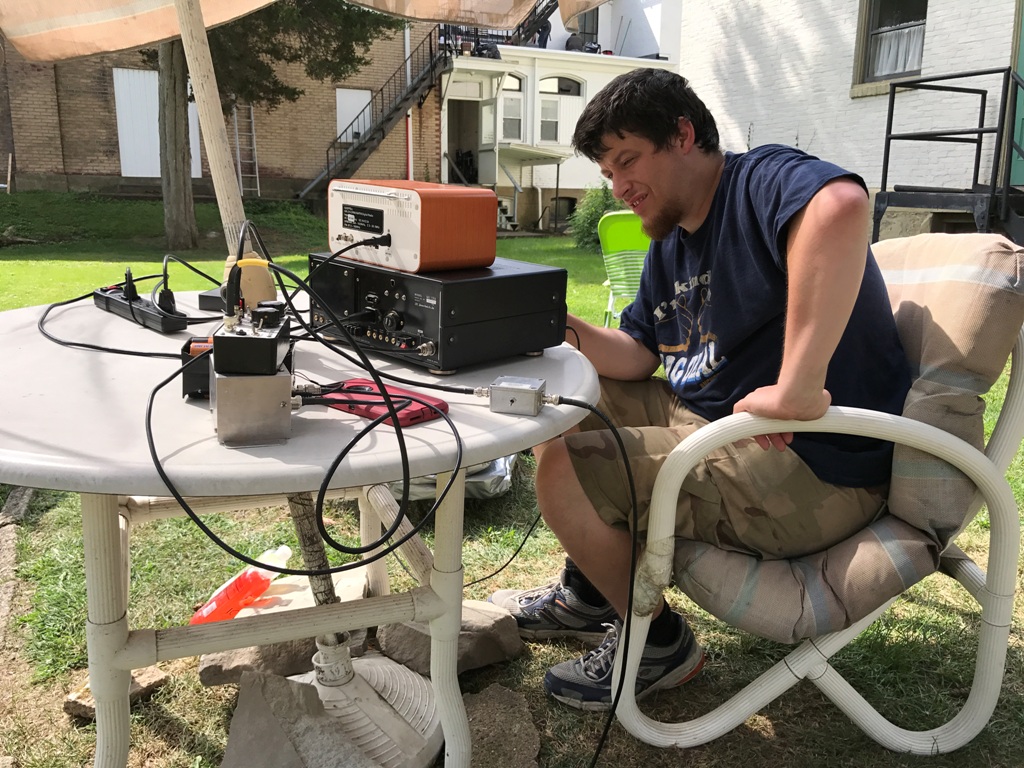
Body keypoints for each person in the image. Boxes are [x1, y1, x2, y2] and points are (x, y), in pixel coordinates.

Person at [489, 68, 911, 711]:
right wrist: (550, 325)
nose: (619, 187)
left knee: (562, 470)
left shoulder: (756, 182)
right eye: (607, 172)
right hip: (717, 424)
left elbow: (842, 206)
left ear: (683, 135)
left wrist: (799, 386)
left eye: (628, 160)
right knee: (562, 402)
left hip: (811, 464)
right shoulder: (672, 240)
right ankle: (591, 595)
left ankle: (658, 644)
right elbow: (636, 354)